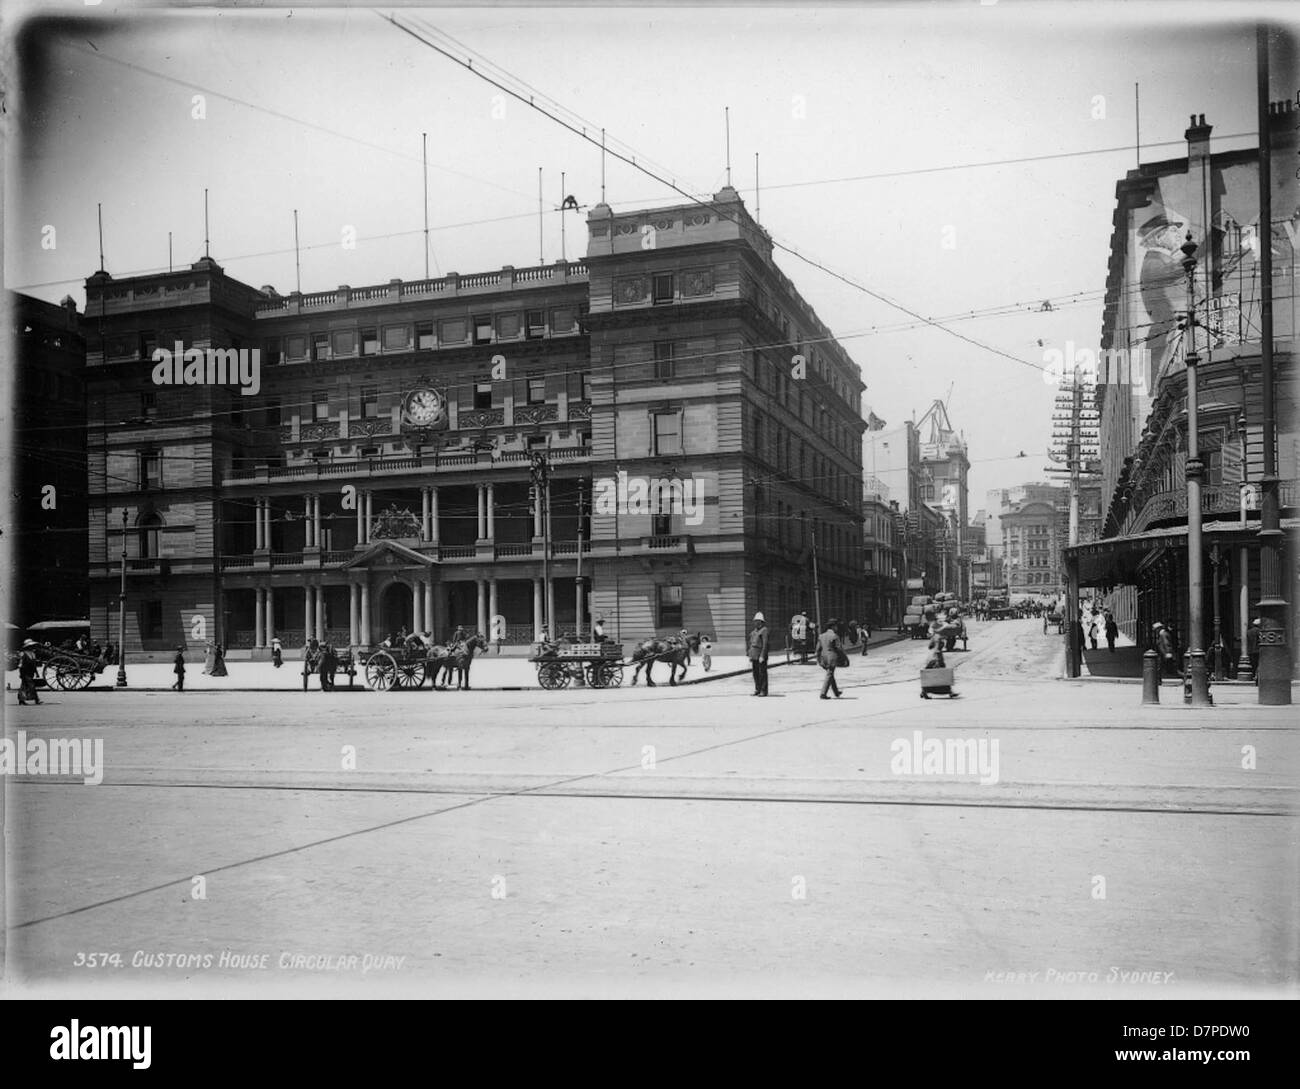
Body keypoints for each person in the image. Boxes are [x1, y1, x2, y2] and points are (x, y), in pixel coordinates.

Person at [817, 618, 844, 700]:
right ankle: (823, 693)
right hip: (832, 658)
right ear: (833, 627)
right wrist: (843, 657)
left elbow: (818, 649)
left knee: (830, 674)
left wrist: (819, 659)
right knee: (830, 674)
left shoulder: (821, 636)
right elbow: (839, 648)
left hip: (823, 658)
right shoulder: (834, 636)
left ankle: (836, 692)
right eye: (836, 626)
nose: (837, 628)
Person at [748, 612, 769, 696]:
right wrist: (750, 655)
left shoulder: (764, 630)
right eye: (755, 621)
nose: (756, 622)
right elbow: (751, 643)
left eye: (757, 621)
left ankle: (764, 690)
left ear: (761, 622)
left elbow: (765, 644)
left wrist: (762, 655)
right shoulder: (753, 632)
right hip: (754, 655)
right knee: (755, 673)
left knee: (762, 673)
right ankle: (758, 689)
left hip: (760, 655)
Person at [16, 640, 41, 705]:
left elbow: (34, 665)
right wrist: (21, 673)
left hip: (31, 672)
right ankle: (36, 699)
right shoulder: (23, 654)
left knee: (24, 686)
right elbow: (20, 665)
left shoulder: (33, 654)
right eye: (31, 646)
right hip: (25, 672)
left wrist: (37, 673)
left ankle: (21, 700)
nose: (32, 647)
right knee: (31, 685)